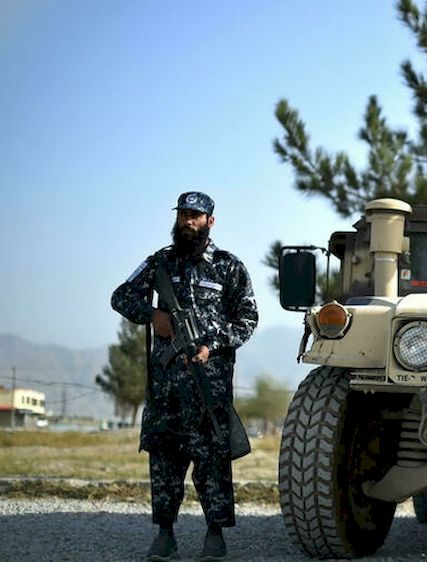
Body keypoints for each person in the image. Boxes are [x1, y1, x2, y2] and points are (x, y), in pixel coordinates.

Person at [111, 191, 258, 561]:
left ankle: (214, 534)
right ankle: (165, 534)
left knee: (212, 462)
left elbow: (248, 318)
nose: (187, 221)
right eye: (183, 215)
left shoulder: (229, 267)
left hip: (209, 387)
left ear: (211, 220)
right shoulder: (159, 263)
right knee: (164, 461)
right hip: (166, 389)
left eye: (196, 215)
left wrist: (213, 345)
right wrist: (152, 315)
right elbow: (121, 296)